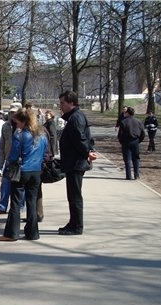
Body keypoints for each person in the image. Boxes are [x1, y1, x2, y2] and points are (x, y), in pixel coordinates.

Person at [0, 108, 48, 241]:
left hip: (22, 171)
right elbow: (45, 153)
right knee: (31, 202)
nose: (16, 125)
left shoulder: (20, 135)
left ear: (23, 121)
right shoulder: (42, 134)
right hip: (36, 171)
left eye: (17, 122)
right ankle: (32, 233)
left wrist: (9, 165)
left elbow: (13, 156)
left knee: (15, 203)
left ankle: (11, 233)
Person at [58, 91, 97, 236]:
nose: (60, 106)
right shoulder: (75, 117)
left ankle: (77, 226)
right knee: (72, 195)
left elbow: (80, 139)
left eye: (62, 103)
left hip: (76, 163)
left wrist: (88, 152)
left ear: (71, 103)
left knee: (75, 196)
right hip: (73, 162)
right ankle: (73, 222)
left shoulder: (76, 118)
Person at [0, 107, 18, 215]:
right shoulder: (6, 126)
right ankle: (1, 207)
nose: (12, 115)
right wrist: (1, 162)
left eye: (15, 113)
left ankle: (19, 208)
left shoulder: (25, 126)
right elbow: (2, 144)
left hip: (21, 161)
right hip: (9, 159)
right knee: (5, 184)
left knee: (20, 186)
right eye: (11, 113)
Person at [117, 107, 145, 180]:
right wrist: (139, 140)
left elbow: (120, 134)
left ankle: (128, 175)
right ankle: (136, 174)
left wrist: (121, 141)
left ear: (128, 113)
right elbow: (143, 133)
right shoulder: (139, 121)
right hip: (135, 141)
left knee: (127, 159)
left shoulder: (124, 122)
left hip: (126, 142)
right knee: (136, 158)